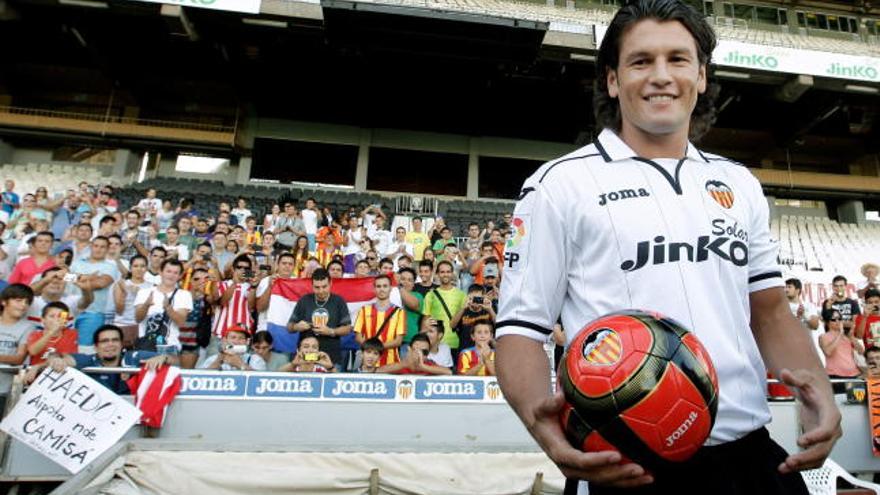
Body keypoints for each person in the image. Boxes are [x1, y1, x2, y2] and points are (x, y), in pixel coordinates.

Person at [494, 2, 838, 493]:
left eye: (677, 59)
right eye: (640, 61)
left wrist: (819, 392)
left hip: (751, 455)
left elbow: (770, 314)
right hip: (626, 465)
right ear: (612, 80)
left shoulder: (737, 182)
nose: (660, 76)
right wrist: (542, 429)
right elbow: (519, 329)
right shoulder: (559, 184)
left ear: (700, 75)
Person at [29, 324, 173, 395]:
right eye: (104, 341)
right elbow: (61, 357)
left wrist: (164, 357)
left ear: (122, 344)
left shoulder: (133, 356)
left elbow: (175, 360)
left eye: (115, 340)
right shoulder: (89, 360)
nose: (110, 344)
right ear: (96, 347)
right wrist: (50, 361)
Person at [287, 268, 352, 368]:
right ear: (312, 286)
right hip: (306, 359)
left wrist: (331, 331)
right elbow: (289, 327)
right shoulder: (304, 300)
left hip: (331, 358)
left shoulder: (339, 301)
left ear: (330, 283)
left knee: (331, 383)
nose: (321, 291)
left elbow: (347, 329)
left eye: (324, 286)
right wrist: (297, 327)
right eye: (317, 287)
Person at [70, 236, 120, 352]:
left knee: (85, 350)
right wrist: (90, 277)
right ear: (91, 246)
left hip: (93, 313)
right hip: (70, 311)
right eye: (96, 246)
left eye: (103, 247)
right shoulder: (76, 263)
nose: (98, 249)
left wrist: (77, 276)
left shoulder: (110, 266)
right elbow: (65, 278)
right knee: (66, 347)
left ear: (107, 249)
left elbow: (101, 283)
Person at [133, 259, 193, 353]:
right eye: (168, 271)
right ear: (160, 272)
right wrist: (146, 305)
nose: (171, 275)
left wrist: (169, 308)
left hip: (171, 347)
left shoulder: (184, 295)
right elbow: (138, 318)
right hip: (145, 345)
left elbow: (181, 322)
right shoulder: (144, 292)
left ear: (180, 276)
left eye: (175, 273)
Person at [354, 275, 406, 366]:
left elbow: (398, 341)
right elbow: (358, 337)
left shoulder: (399, 312)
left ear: (390, 288)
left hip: (391, 363)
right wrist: (373, 351)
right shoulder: (364, 310)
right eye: (378, 286)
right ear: (374, 289)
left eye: (385, 286)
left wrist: (374, 348)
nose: (382, 289)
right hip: (368, 363)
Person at [0, 284, 35, 408]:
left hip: (5, 389)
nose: (23, 305)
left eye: (27, 302)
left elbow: (19, 358)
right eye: (18, 300)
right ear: (4, 302)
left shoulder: (28, 326)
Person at [422, 261, 466, 354]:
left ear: (452, 273)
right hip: (435, 344)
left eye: (448, 272)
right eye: (442, 272)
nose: (445, 274)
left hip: (455, 343)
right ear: (437, 274)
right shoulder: (430, 295)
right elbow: (425, 322)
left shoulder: (461, 295)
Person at [819, 307, 863, 392]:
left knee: (855, 403)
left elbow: (861, 351)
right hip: (835, 375)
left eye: (839, 319)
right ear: (826, 322)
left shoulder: (847, 336)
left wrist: (851, 337)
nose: (837, 321)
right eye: (834, 319)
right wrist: (840, 334)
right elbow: (828, 352)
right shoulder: (823, 337)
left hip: (854, 375)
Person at [26, 301, 78, 366]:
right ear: (42, 319)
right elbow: (33, 351)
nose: (56, 319)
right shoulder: (35, 334)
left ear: (66, 320)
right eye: (52, 316)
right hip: (38, 373)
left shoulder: (71, 334)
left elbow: (69, 357)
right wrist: (51, 332)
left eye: (60, 316)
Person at [378, 333, 451, 375]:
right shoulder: (400, 364)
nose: (420, 354)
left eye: (424, 352)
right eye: (416, 350)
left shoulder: (429, 364)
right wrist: (405, 364)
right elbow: (378, 371)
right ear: (409, 349)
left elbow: (448, 372)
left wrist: (423, 367)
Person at [201, 324, 265, 371]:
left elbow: (260, 381)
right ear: (224, 340)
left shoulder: (255, 359)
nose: (237, 341)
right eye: (233, 337)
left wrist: (240, 364)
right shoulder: (213, 358)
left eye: (241, 338)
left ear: (246, 342)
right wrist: (218, 361)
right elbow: (201, 379)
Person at [451, 284, 495, 351]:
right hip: (465, 351)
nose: (476, 302)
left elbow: (498, 325)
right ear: (468, 296)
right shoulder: (463, 311)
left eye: (478, 298)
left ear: (483, 297)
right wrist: (463, 308)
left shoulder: (488, 310)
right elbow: (452, 325)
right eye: (474, 298)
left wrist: (490, 309)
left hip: (485, 351)